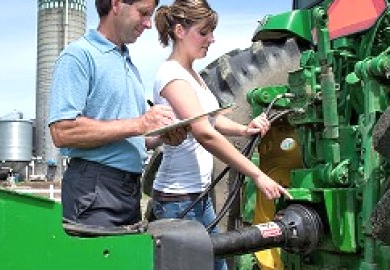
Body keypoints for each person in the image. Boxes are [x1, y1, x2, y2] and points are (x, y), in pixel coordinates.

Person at [151, 0, 292, 269]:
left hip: (198, 198)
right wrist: (257, 174)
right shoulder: (172, 75)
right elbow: (204, 133)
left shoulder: (192, 73)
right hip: (178, 202)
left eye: (211, 32)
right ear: (180, 31)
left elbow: (211, 119)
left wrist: (244, 128)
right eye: (203, 32)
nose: (211, 39)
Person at [48, 0, 186, 228]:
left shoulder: (128, 65)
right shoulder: (79, 56)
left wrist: (162, 136)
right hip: (95, 189)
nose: (148, 24)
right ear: (116, 4)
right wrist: (141, 123)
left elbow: (133, 135)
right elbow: (62, 131)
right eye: (143, 13)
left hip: (128, 190)